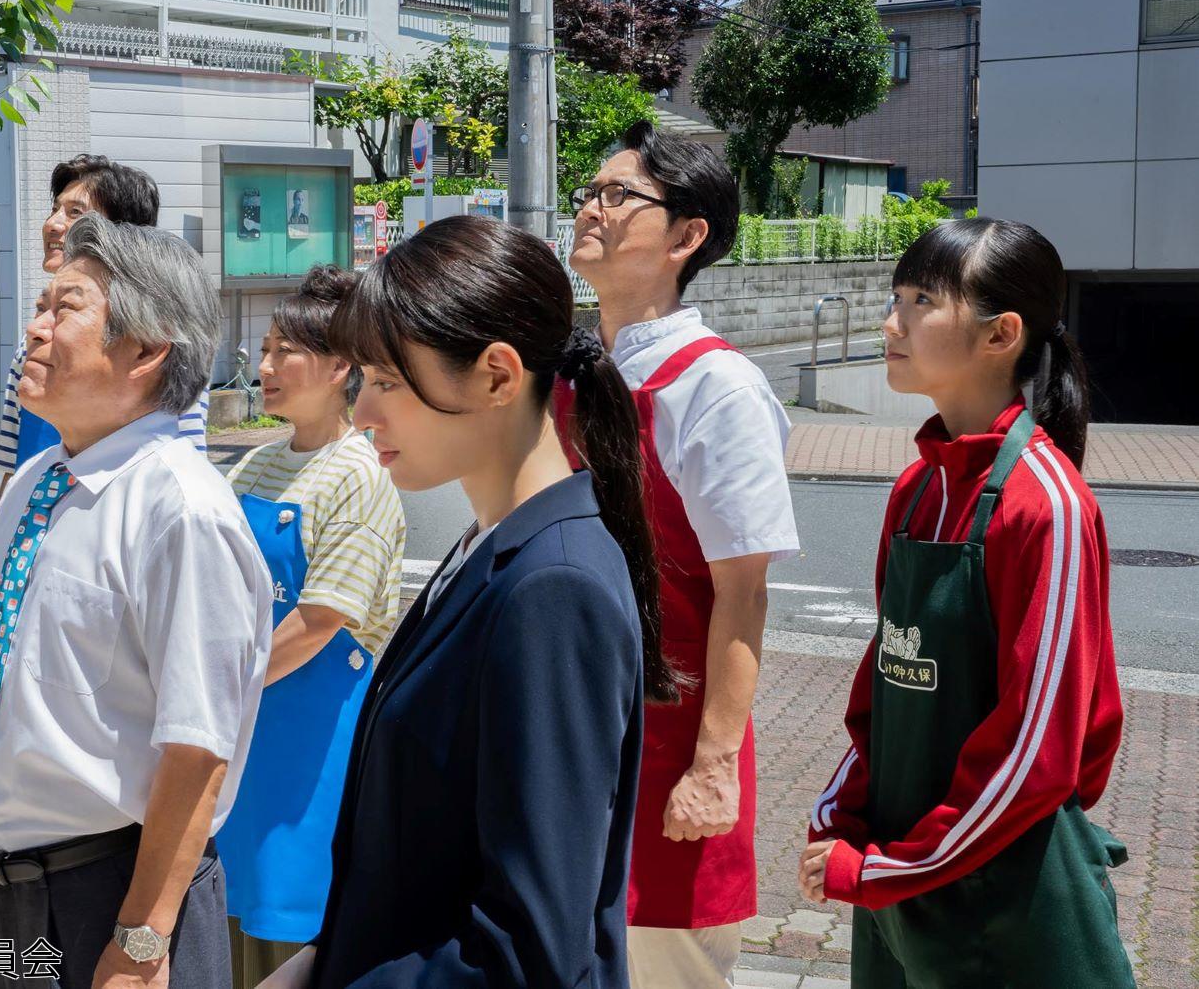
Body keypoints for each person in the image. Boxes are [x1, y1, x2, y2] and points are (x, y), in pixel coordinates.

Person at [259, 215, 678, 989]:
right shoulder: (493, 546)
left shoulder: (555, 586)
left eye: (387, 381)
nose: (363, 415)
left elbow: (526, 946)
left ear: (496, 376)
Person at [800, 218, 1132, 988]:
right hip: (903, 885)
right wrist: (840, 814)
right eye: (896, 296)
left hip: (1007, 901)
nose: (893, 321)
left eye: (921, 299)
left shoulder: (1045, 502)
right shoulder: (918, 489)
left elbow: (1037, 753)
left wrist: (896, 867)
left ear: (1002, 333)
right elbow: (885, 685)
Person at [0, 215, 273, 989]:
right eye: (41, 305)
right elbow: (8, 706)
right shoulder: (35, 485)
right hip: (7, 891)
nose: (34, 328)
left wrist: (143, 939)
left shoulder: (181, 507)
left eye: (65, 308)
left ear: (146, 348)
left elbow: (199, 748)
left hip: (113, 893)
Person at [563, 120, 799, 988]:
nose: (590, 208)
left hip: (667, 756)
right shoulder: (579, 375)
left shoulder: (718, 387)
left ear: (688, 237)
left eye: (618, 196)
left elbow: (743, 596)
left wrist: (712, 769)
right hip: (575, 735)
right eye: (590, 190)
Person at [217, 267, 407, 988]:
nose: (263, 368)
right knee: (227, 916)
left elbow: (324, 618)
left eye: (282, 352)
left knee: (285, 927)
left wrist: (219, 684)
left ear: (339, 368)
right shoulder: (255, 463)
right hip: (242, 729)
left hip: (308, 741)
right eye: (262, 351)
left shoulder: (359, 472)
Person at [0, 154, 207, 494]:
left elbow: (188, 458)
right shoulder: (34, 339)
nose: (52, 224)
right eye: (55, 209)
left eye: (75, 213)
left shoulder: (162, 339)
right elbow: (13, 459)